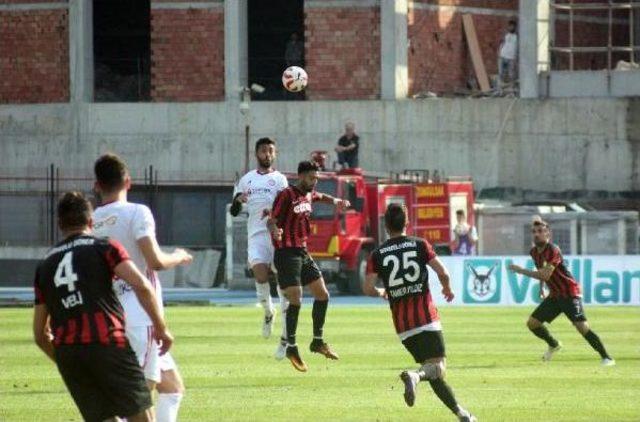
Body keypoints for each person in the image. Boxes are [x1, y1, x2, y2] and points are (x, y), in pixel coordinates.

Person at [33, 191, 174, 422]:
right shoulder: (105, 247)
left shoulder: (45, 265)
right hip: (108, 344)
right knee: (140, 417)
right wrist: (161, 328)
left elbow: (40, 334)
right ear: (90, 222)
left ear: (59, 224)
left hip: (70, 354)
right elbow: (142, 285)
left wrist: (69, 361)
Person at [92, 154, 192, 422]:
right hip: (140, 317)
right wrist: (180, 256)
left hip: (109, 316)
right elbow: (155, 262)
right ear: (128, 181)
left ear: (97, 185)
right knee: (134, 404)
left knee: (172, 388)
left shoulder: (92, 222)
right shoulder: (137, 212)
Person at [363, 204, 476, 422]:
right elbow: (442, 272)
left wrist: (381, 291)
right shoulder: (420, 244)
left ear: (386, 226)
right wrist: (447, 289)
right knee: (437, 368)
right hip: (426, 317)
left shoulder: (377, 254)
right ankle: (415, 376)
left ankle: (463, 415)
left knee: (432, 369)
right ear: (407, 222)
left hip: (403, 326)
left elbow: (367, 288)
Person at [267, 160, 350, 372]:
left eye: (316, 178)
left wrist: (337, 201)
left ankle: (317, 341)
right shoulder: (287, 194)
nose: (314, 182)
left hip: (303, 252)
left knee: (322, 295)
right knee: (296, 297)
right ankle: (291, 346)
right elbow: (271, 219)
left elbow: (321, 196)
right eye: (312, 178)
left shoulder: (309, 194)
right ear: (301, 176)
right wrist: (275, 230)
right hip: (286, 253)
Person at [508, 219, 615, 366]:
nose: (536, 234)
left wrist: (520, 271)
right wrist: (541, 288)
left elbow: (545, 275)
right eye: (534, 232)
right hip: (555, 295)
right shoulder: (534, 252)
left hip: (570, 293)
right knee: (532, 324)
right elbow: (541, 270)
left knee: (582, 327)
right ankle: (553, 344)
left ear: (548, 234)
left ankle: (607, 358)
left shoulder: (553, 250)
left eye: (540, 231)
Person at [230, 137, 290, 359]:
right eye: (264, 151)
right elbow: (234, 211)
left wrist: (275, 217)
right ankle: (268, 312)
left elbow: (288, 208)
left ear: (275, 154)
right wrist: (238, 201)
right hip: (256, 235)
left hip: (277, 235)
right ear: (257, 154)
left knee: (284, 282)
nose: (267, 154)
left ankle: (285, 337)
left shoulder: (280, 180)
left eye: (271, 151)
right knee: (260, 275)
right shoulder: (246, 180)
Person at [498, 20, 518, 88]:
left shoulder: (517, 37)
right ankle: (500, 88)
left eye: (513, 26)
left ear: (515, 27)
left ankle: (511, 89)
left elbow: (517, 48)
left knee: (511, 74)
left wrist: (515, 58)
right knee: (501, 73)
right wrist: (499, 53)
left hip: (511, 58)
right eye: (510, 26)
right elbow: (501, 44)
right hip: (503, 56)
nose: (511, 28)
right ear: (508, 27)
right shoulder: (505, 35)